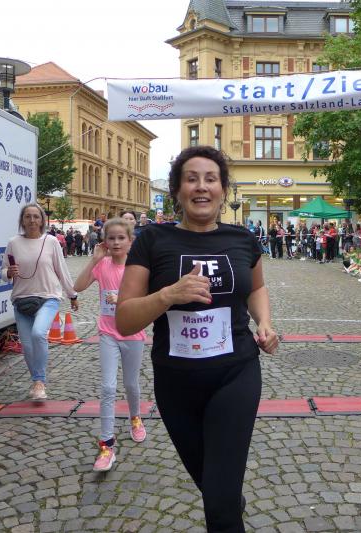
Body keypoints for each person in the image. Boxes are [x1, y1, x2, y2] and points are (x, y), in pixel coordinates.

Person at [115, 146, 278, 532]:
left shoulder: (243, 240)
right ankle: (229, 498)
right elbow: (124, 319)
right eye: (191, 179)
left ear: (223, 189)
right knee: (213, 485)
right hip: (176, 383)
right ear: (177, 190)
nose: (201, 187)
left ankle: (226, 504)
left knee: (218, 508)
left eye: (210, 179)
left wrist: (265, 323)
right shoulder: (152, 240)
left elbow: (256, 288)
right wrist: (168, 295)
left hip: (235, 374)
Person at [74, 218, 147, 472]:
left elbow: (148, 299)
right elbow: (77, 287)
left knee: (131, 384)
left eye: (121, 238)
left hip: (133, 334)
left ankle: (135, 418)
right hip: (108, 334)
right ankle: (106, 445)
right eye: (111, 238)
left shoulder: (137, 268)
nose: (116, 242)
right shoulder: (102, 265)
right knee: (107, 387)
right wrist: (93, 260)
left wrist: (125, 300)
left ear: (130, 241)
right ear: (104, 241)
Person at [1, 204, 78, 400]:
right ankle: (36, 380)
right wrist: (9, 272)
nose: (32, 220)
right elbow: (3, 271)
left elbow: (62, 270)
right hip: (21, 299)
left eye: (36, 216)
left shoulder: (51, 241)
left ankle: (39, 382)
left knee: (38, 333)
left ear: (42, 220)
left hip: (48, 296)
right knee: (27, 346)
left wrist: (72, 294)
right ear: (22, 220)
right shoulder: (13, 242)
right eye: (28, 216)